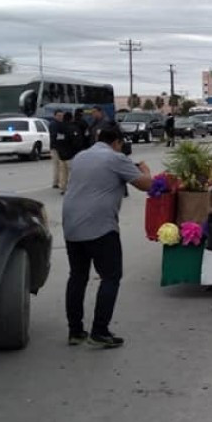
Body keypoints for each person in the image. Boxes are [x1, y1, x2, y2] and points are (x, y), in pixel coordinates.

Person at [62, 128, 153, 348]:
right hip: (100, 226)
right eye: (122, 145)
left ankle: (75, 332)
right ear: (117, 143)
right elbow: (146, 185)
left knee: (77, 277)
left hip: (71, 224)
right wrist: (145, 170)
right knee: (111, 276)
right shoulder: (115, 158)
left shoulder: (81, 156)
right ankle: (100, 331)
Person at [56, 112, 82, 194]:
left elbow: (58, 140)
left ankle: (63, 188)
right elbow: (76, 142)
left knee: (63, 173)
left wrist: (59, 151)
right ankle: (71, 189)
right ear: (71, 118)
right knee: (71, 173)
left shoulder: (60, 128)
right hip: (71, 154)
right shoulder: (73, 128)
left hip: (61, 154)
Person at [49, 110, 66, 189]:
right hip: (55, 147)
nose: (60, 117)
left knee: (60, 165)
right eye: (59, 115)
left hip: (60, 147)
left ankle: (57, 181)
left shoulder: (61, 123)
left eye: (61, 115)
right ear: (55, 116)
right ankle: (56, 182)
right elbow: (54, 136)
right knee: (57, 165)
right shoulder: (53, 124)